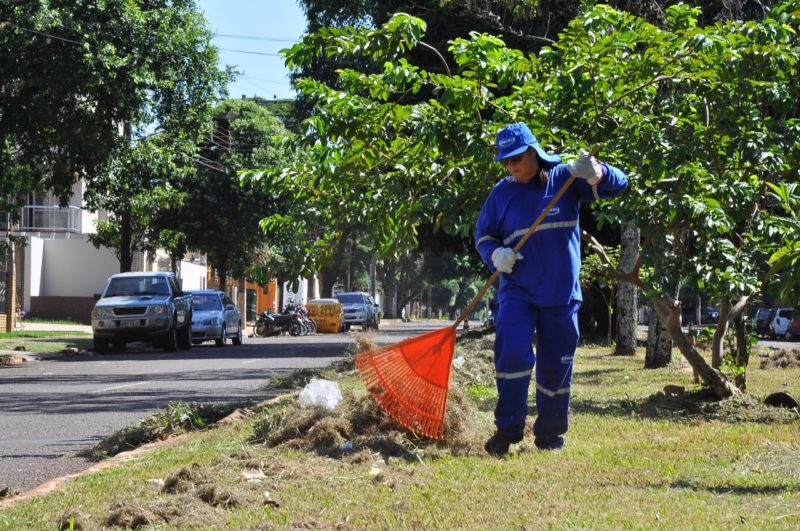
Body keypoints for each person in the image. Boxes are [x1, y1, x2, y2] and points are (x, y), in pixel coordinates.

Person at [475, 123, 628, 455]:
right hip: (518, 292)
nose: (511, 166)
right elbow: (483, 235)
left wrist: (596, 172)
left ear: (533, 152)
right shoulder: (501, 194)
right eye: (505, 161)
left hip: (560, 294)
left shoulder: (565, 180)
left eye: (516, 158)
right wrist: (495, 255)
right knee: (512, 353)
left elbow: (620, 184)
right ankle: (508, 430)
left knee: (556, 364)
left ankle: (550, 437)